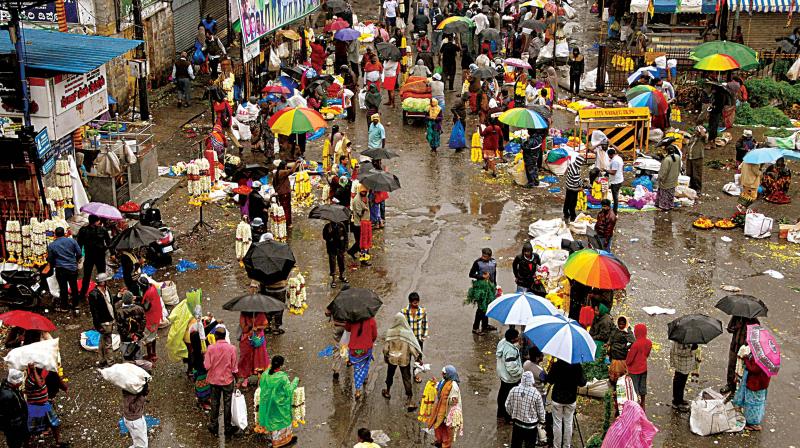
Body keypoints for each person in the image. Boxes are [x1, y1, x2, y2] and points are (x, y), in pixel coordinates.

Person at [382, 312, 423, 411]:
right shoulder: (407, 334)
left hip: (392, 359)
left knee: (390, 375)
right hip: (404, 360)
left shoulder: (390, 332)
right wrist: (418, 358)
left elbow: (386, 348)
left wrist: (386, 356)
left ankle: (387, 391)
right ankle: (409, 399)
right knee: (406, 378)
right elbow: (413, 349)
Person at [256, 355, 299, 446]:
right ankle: (284, 441)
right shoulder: (282, 377)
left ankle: (275, 441)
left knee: (272, 423)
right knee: (282, 422)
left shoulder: (265, 374)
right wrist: (296, 381)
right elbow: (288, 392)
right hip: (279, 405)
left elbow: (262, 386)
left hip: (268, 404)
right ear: (281, 365)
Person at [204, 326, 240, 437]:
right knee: (227, 403)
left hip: (214, 381)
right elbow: (234, 368)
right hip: (227, 381)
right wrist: (237, 380)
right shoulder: (232, 348)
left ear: (215, 336)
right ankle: (228, 427)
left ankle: (214, 425)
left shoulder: (210, 348)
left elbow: (207, 366)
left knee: (214, 403)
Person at [25, 363, 68, 447]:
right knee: (33, 428)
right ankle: (28, 444)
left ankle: (58, 441)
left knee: (54, 423)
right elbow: (40, 384)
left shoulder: (39, 376)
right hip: (36, 406)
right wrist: (33, 370)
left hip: (44, 404)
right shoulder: (30, 380)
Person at [547, 359, 586, 448]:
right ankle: (566, 446)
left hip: (557, 398)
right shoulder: (577, 366)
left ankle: (556, 446)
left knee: (557, 423)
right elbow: (582, 383)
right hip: (570, 399)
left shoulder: (557, 365)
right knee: (568, 423)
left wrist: (551, 368)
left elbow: (549, 380)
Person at [505, 371, 546, 448]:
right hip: (531, 427)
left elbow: (507, 405)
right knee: (529, 445)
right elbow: (540, 410)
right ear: (532, 380)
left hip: (517, 424)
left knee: (516, 444)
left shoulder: (514, 390)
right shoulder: (536, 394)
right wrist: (542, 421)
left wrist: (512, 414)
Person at [732, 350, 771, 431]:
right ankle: (754, 421)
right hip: (761, 384)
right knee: (758, 403)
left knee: (753, 404)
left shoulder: (760, 356)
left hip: (756, 384)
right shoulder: (767, 355)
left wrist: (746, 360)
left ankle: (753, 424)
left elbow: (753, 369)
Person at [426, 365, 463, 448]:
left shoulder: (454, 386)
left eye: (444, 373)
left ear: (448, 374)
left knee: (447, 429)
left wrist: (449, 414)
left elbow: (454, 402)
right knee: (439, 425)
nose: (442, 374)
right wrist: (435, 383)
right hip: (440, 410)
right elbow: (440, 389)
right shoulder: (445, 381)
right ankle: (439, 440)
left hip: (448, 412)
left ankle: (446, 445)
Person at [721, 316, 760, 394]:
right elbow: (729, 329)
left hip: (745, 350)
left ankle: (738, 388)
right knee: (731, 366)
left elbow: (756, 336)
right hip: (734, 347)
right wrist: (736, 326)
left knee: (741, 369)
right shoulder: (736, 317)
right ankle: (730, 385)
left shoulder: (754, 321)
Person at [47, 227, 82, 312]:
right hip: (72, 268)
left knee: (63, 288)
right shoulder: (72, 241)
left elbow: (50, 259)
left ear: (55, 235)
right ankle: (76, 305)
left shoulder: (52, 245)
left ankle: (64, 307)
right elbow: (79, 253)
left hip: (60, 269)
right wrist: (75, 261)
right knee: (74, 287)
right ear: (64, 233)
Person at [121, 358, 152, 448]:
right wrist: (143, 396)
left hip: (134, 419)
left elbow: (147, 364)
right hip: (134, 420)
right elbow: (133, 408)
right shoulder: (132, 389)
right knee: (142, 445)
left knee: (138, 439)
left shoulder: (128, 383)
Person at [77, 214, 110, 300]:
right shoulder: (102, 230)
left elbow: (79, 244)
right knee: (101, 274)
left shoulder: (83, 230)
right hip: (98, 256)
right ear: (96, 221)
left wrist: (78, 256)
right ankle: (103, 291)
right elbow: (109, 242)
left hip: (90, 256)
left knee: (87, 276)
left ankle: (83, 294)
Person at [346, 317, 378, 399]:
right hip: (366, 349)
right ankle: (365, 377)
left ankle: (357, 391)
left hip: (354, 350)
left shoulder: (352, 319)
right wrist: (369, 341)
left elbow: (347, 328)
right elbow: (374, 335)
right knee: (365, 364)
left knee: (357, 368)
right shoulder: (371, 320)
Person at [496, 328, 524, 423]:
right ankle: (508, 417)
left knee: (502, 394)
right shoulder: (510, 351)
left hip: (503, 375)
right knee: (509, 398)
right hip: (510, 378)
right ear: (512, 339)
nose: (518, 338)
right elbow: (512, 368)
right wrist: (521, 371)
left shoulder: (503, 342)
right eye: (517, 337)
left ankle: (500, 413)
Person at [88, 272, 115, 366]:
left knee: (102, 341)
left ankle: (102, 360)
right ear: (102, 282)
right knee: (108, 343)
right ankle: (110, 362)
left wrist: (118, 296)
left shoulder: (107, 290)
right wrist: (98, 325)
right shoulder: (94, 295)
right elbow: (94, 312)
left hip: (110, 319)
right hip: (104, 322)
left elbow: (111, 302)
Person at [237, 311, 270, 388]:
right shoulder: (243, 314)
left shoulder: (260, 313)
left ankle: (260, 376)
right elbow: (243, 328)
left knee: (260, 357)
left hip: (258, 338)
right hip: (247, 338)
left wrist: (257, 327)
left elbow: (265, 325)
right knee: (246, 358)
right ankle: (245, 378)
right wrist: (250, 326)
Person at [401, 292, 428, 380]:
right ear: (410, 302)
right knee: (407, 358)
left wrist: (424, 336)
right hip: (408, 340)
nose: (416, 304)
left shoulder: (422, 311)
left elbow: (425, 323)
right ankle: (407, 375)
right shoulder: (404, 312)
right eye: (414, 302)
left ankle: (415, 374)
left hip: (418, 340)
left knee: (418, 358)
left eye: (417, 302)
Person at [625, 323, 652, 410]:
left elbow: (629, 360)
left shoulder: (635, 345)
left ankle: (635, 406)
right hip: (643, 368)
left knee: (635, 388)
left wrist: (627, 363)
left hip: (634, 370)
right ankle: (643, 404)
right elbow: (647, 354)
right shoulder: (649, 342)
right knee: (642, 386)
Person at [0, 368, 28, 448]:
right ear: (15, 382)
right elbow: (4, 414)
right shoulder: (6, 395)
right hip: (14, 426)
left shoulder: (11, 388)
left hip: (18, 422)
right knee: (15, 443)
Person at [138, 277, 163, 363]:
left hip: (151, 318)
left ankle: (150, 356)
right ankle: (154, 353)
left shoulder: (149, 294)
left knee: (148, 338)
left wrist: (138, 305)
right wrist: (138, 298)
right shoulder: (153, 287)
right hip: (156, 316)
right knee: (153, 335)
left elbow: (146, 307)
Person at [115, 291, 146, 360]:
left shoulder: (119, 312)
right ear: (132, 299)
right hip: (137, 338)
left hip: (125, 339)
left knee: (126, 356)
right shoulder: (139, 308)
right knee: (138, 355)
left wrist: (130, 336)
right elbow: (143, 322)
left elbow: (120, 327)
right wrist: (137, 335)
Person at [670, 341, 698, 412]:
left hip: (685, 365)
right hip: (681, 364)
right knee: (679, 381)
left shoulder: (689, 337)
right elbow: (679, 351)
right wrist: (691, 349)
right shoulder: (678, 340)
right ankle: (676, 402)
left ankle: (680, 399)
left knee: (682, 381)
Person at [273, 160, 300, 227]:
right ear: (284, 166)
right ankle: (288, 223)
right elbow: (291, 171)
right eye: (285, 166)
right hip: (285, 193)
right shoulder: (282, 172)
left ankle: (283, 221)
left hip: (280, 193)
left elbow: (274, 184)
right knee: (287, 208)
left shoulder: (275, 173)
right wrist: (296, 163)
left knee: (283, 207)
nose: (286, 168)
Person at [323, 220, 349, 288]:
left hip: (340, 247)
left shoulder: (341, 225)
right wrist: (329, 233)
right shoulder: (327, 227)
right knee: (332, 262)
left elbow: (345, 235)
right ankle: (333, 279)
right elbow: (325, 237)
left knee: (341, 261)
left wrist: (346, 246)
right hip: (331, 248)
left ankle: (341, 275)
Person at [655, 146, 681, 210]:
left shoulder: (666, 160)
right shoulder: (678, 157)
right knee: (671, 193)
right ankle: (670, 205)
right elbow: (679, 167)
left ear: (667, 151)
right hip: (674, 179)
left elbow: (663, 171)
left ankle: (664, 206)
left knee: (664, 193)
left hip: (666, 181)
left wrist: (659, 178)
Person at [683, 126, 707, 192]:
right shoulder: (692, 137)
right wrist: (685, 153)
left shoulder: (702, 138)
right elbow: (688, 145)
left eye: (697, 131)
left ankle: (698, 188)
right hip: (690, 158)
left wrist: (701, 129)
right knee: (689, 173)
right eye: (695, 131)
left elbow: (704, 136)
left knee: (697, 174)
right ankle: (691, 186)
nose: (695, 132)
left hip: (697, 158)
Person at [563, 153, 586, 222]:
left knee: (567, 201)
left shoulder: (572, 164)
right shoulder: (576, 171)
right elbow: (576, 183)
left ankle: (566, 213)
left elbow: (566, 172)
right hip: (573, 189)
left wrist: (580, 180)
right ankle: (573, 216)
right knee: (572, 204)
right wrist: (582, 187)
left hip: (568, 186)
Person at [606, 147, 624, 213]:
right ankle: (614, 209)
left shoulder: (615, 161)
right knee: (616, 195)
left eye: (609, 156)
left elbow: (613, 172)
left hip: (616, 181)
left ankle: (615, 210)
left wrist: (606, 170)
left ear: (610, 155)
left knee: (615, 196)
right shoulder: (619, 158)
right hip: (619, 178)